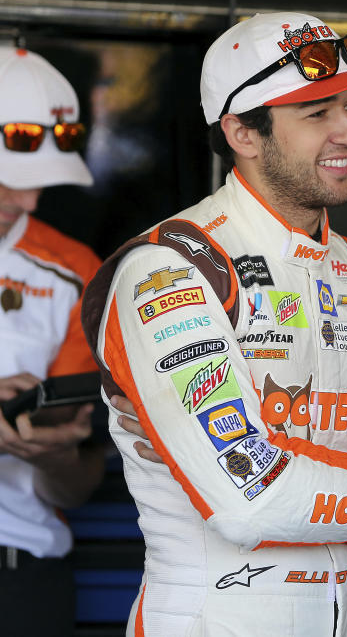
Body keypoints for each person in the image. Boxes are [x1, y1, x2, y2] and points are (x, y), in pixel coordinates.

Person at [80, 12, 347, 637]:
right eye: (316, 113)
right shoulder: (169, 269)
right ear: (242, 132)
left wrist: (296, 470)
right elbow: (247, 500)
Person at [0, 47, 106, 636]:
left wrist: (56, 452)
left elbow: (77, 482)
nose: (32, 201)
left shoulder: (76, 270)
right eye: (14, 178)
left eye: (45, 181)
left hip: (25, 575)